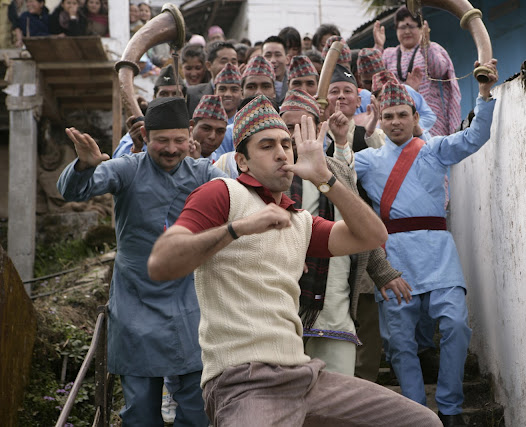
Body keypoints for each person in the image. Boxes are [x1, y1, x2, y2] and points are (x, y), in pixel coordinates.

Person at [146, 94, 442, 427]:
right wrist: (238, 228)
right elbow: (161, 262)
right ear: (242, 162)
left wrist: (325, 178)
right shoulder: (222, 192)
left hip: (304, 376)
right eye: (267, 146)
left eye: (287, 145)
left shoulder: (299, 220)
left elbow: (372, 236)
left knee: (422, 422)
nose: (281, 153)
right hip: (243, 381)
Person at [333, 59, 498, 427]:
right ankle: (416, 414)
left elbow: (474, 137)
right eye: (389, 116)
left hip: (439, 254)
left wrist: (485, 93)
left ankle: (450, 408)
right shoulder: (368, 159)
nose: (395, 122)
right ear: (381, 118)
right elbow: (338, 175)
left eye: (402, 115)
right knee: (400, 342)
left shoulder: (434, 149)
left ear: (414, 117)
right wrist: (341, 140)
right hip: (394, 258)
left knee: (455, 325)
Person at [57, 97, 227, 426]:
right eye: (162, 140)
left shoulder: (204, 173)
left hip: (190, 302)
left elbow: (241, 202)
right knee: (139, 412)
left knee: (199, 409)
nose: (171, 149)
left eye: (179, 140)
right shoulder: (127, 169)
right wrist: (85, 166)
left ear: (190, 134)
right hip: (135, 304)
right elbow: (73, 192)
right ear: (146, 136)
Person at [280, 88, 405, 377]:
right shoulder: (274, 173)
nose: (296, 134)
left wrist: (382, 271)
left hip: (335, 304)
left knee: (338, 393)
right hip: (284, 306)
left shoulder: (337, 170)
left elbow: (358, 225)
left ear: (319, 128)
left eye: (304, 125)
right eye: (288, 127)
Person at [374, 6, 461, 137]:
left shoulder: (432, 48)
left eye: (412, 26)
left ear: (421, 28)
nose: (407, 31)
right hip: (397, 119)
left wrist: (426, 46)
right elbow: (375, 79)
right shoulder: (388, 54)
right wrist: (379, 46)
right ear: (396, 30)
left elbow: (439, 71)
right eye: (402, 27)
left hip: (430, 119)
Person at [113, 65, 186, 158]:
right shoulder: (140, 131)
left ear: (184, 99)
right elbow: (117, 159)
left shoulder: (194, 130)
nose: (169, 99)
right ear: (154, 98)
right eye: (164, 94)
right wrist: (136, 148)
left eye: (176, 94)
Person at [186, 41, 237, 116]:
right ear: (209, 65)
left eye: (234, 62)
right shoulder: (192, 94)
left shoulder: (243, 95)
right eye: (224, 61)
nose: (229, 66)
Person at [190, 94, 228, 159]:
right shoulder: (176, 159)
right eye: (206, 129)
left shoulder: (223, 162)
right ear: (192, 126)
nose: (212, 137)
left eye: (220, 131)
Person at [262, 35, 289, 104]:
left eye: (278, 55)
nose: (273, 60)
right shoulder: (255, 85)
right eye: (268, 56)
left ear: (287, 59)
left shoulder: (295, 83)